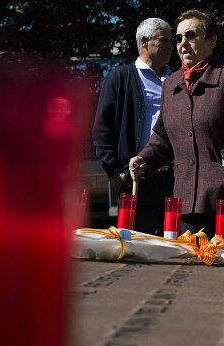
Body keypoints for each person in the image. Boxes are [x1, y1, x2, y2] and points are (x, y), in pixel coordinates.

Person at [128, 9, 224, 246]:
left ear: (212, 39)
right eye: (179, 38)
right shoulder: (171, 83)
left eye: (191, 35)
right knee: (191, 277)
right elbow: (163, 136)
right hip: (186, 203)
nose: (183, 44)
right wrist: (145, 159)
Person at [93, 18, 174, 235]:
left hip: (174, 176)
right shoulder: (119, 78)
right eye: (165, 40)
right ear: (145, 41)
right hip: (136, 177)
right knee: (136, 245)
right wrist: (113, 172)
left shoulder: (177, 79)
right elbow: (102, 128)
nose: (171, 46)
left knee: (174, 244)